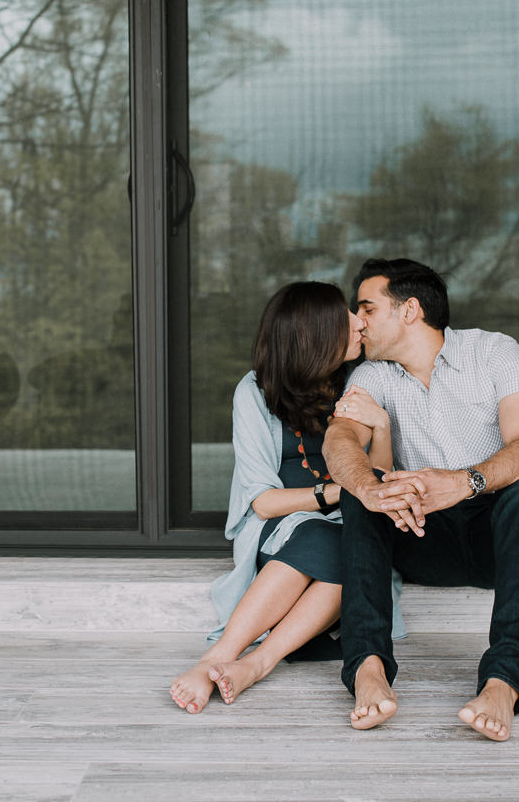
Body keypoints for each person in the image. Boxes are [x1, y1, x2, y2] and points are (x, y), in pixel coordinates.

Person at [324, 258, 519, 740]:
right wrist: (370, 487)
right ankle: (368, 670)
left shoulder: (494, 352)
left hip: (495, 530)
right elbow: (340, 439)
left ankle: (503, 682)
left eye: (367, 307)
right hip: (421, 532)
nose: (357, 321)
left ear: (409, 310)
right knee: (360, 494)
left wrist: (464, 481)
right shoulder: (373, 374)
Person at [169, 281, 403, 714]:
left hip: (349, 523)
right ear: (315, 334)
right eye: (345, 318)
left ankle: (252, 664)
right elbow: (263, 503)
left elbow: (379, 480)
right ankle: (220, 659)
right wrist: (334, 492)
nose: (359, 322)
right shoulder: (254, 392)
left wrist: (383, 428)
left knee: (350, 547)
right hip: (280, 528)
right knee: (333, 543)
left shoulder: (359, 381)